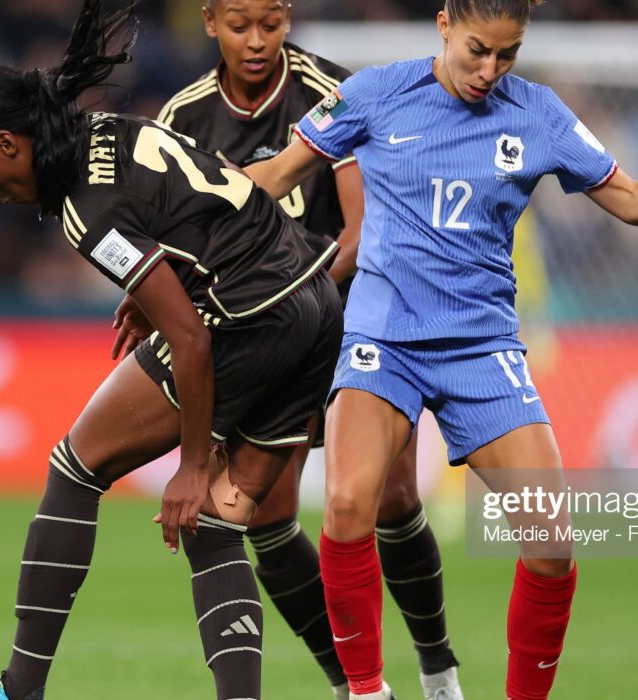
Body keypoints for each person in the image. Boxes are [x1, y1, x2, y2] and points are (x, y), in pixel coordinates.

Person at [244, 0, 638, 698]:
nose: (489, 70)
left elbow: (629, 198)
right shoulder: (374, 94)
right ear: (444, 24)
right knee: (350, 503)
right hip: (384, 335)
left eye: (507, 55)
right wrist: (175, 195)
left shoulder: (537, 114)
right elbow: (277, 176)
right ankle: (367, 690)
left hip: (480, 348)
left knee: (552, 543)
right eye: (477, 50)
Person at [0, 2, 344, 699]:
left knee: (75, 469)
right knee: (219, 527)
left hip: (249, 313)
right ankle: (354, 687)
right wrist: (154, 290)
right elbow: (193, 219)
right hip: (316, 304)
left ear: (8, 141)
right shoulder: (109, 130)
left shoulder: (86, 209)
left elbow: (191, 337)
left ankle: (18, 691)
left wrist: (192, 464)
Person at [149, 2, 462, 698]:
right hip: (257, 338)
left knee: (392, 497)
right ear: (209, 24)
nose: (256, 42)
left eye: (270, 24)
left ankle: (438, 670)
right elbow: (173, 239)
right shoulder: (183, 120)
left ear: (287, 18)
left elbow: (362, 230)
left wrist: (286, 293)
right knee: (265, 517)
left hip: (357, 320)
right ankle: (353, 685)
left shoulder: (333, 95)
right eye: (239, 27)